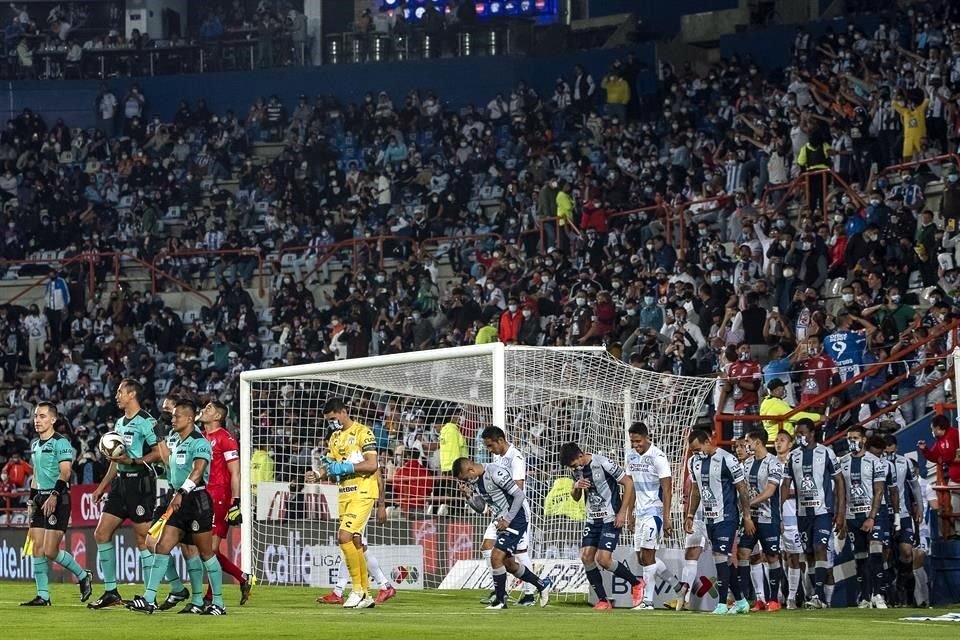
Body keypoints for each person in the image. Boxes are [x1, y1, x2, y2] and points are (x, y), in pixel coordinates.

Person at [127, 401, 226, 615]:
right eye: (172, 417)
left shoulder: (200, 442)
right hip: (177, 499)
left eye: (177, 416)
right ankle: (149, 598)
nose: (173, 420)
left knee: (206, 553)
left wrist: (181, 492)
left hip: (196, 500)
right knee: (161, 547)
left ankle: (218, 603)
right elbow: (169, 466)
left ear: (189, 419)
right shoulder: (175, 439)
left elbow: (198, 471)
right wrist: (160, 448)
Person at [88, 379, 164, 609]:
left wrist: (134, 460)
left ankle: (151, 595)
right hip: (120, 485)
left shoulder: (147, 422)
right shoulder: (120, 423)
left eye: (120, 392)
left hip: (140, 485)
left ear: (132, 394)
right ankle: (111, 592)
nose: (116, 395)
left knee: (144, 539)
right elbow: (115, 460)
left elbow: (159, 453)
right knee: (101, 533)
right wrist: (102, 487)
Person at [453, 455, 552, 609]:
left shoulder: (495, 472)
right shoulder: (477, 482)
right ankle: (541, 585)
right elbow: (483, 509)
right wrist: (469, 496)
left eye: (466, 478)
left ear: (471, 470)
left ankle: (500, 600)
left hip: (516, 518)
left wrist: (507, 519)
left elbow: (519, 495)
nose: (467, 482)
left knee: (495, 556)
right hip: (501, 522)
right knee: (509, 564)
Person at [20, 402, 93, 606]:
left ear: (53, 419)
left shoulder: (61, 443)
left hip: (58, 498)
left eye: (42, 416)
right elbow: (36, 475)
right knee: (37, 547)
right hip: (39, 498)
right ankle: (43, 596)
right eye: (36, 416)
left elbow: (66, 472)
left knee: (50, 550)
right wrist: (30, 501)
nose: (37, 420)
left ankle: (82, 575)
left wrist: (54, 494)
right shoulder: (35, 445)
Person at [559, 441, 643, 610]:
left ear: (581, 455)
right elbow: (576, 498)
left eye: (574, 464)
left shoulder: (603, 463)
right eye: (570, 467)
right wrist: (575, 487)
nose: (573, 468)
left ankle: (636, 583)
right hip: (592, 519)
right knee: (586, 557)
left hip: (610, 517)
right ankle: (603, 600)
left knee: (603, 560)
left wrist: (623, 512)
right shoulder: (577, 472)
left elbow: (629, 483)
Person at [685, 429, 755, 615]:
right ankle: (741, 601)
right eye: (692, 451)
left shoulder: (727, 459)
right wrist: (690, 515)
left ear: (708, 441)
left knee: (719, 555)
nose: (696, 453)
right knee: (723, 559)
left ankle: (722, 604)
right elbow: (696, 491)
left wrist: (747, 517)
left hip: (727, 517)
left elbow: (742, 489)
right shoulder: (693, 462)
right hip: (709, 518)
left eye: (698, 449)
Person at [319, 398, 379, 608]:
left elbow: (372, 465)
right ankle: (367, 595)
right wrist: (318, 473)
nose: (332, 424)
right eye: (328, 421)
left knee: (343, 537)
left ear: (343, 412)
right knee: (354, 542)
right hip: (344, 494)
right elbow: (331, 466)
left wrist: (346, 468)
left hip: (363, 492)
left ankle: (357, 590)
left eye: (333, 419)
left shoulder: (364, 432)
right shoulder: (334, 438)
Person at [780, 418, 845, 610]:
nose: (799, 436)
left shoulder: (826, 453)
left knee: (819, 548)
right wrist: (779, 509)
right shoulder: (793, 456)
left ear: (812, 433)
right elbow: (785, 484)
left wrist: (840, 512)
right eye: (797, 434)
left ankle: (818, 595)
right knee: (808, 555)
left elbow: (839, 481)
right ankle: (816, 596)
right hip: (803, 514)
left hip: (823, 511)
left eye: (802, 433)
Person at [198, 401, 255, 605]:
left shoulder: (225, 438)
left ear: (218, 416)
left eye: (210, 408)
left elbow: (235, 472)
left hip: (219, 497)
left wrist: (235, 501)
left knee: (210, 550)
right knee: (204, 549)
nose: (204, 409)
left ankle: (210, 597)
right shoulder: (201, 437)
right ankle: (242, 577)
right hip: (201, 496)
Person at [313, 466, 396, 606]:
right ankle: (383, 586)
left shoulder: (365, 451)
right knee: (356, 544)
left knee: (352, 542)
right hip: (348, 500)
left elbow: (378, 477)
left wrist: (382, 505)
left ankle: (343, 591)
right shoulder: (343, 451)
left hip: (362, 500)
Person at [624, 422, 683, 610]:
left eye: (638, 441)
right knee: (642, 558)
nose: (635, 445)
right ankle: (678, 587)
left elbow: (667, 489)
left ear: (647, 437)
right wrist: (630, 513)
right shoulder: (631, 457)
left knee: (649, 555)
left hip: (654, 512)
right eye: (632, 441)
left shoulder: (658, 457)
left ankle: (647, 602)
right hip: (640, 513)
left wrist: (666, 517)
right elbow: (631, 486)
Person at [479, 426, 537, 606]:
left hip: (516, 512)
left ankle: (530, 593)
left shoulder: (515, 458)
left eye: (490, 446)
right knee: (487, 545)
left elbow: (518, 488)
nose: (490, 450)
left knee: (520, 552)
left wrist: (510, 517)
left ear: (500, 441)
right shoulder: (499, 458)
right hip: (500, 511)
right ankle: (499, 590)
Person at [839, 427, 891, 609]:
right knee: (860, 558)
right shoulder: (842, 462)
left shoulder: (875, 462)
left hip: (872, 515)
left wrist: (872, 517)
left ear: (863, 440)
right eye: (849, 438)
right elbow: (841, 493)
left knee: (876, 554)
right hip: (852, 516)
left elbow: (879, 491)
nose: (851, 441)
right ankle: (865, 597)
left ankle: (879, 594)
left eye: (855, 438)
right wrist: (842, 517)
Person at [741, 429, 784, 612]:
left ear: (757, 442)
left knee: (772, 556)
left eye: (748, 441)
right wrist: (746, 512)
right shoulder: (748, 463)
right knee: (745, 554)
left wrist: (748, 503)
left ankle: (773, 599)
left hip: (768, 517)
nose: (746, 445)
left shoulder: (774, 463)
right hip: (751, 518)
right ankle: (757, 599)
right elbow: (742, 488)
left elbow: (770, 491)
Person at [883, 434, 922, 606]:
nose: (889, 451)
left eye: (891, 448)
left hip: (904, 514)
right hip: (885, 515)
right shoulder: (876, 463)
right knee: (887, 555)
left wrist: (919, 507)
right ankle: (892, 595)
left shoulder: (904, 462)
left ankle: (907, 592)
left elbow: (914, 486)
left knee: (907, 553)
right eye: (886, 448)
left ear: (896, 447)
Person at [774, 430, 803, 609]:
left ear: (790, 444)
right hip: (775, 516)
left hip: (793, 517)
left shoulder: (797, 461)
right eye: (776, 440)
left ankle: (792, 596)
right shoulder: (770, 462)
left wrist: (786, 492)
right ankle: (779, 593)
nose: (778, 443)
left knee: (793, 557)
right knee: (775, 556)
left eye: (782, 440)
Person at [918, 414, 959, 536]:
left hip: (957, 476)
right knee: (955, 507)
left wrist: (950, 458)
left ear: (938, 427)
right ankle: (958, 532)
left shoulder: (955, 434)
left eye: (932, 428)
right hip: (955, 478)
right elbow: (935, 457)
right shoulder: (939, 441)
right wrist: (925, 449)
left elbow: (952, 455)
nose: (932, 431)